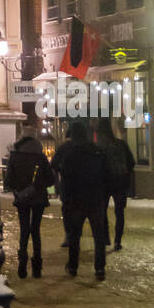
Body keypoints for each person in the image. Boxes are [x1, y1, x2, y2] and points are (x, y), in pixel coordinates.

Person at [59, 120, 109, 280]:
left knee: (75, 235)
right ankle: (100, 268)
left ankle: (73, 266)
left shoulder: (70, 152)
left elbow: (62, 172)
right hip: (95, 198)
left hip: (76, 199)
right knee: (98, 236)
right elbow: (106, 172)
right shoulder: (96, 150)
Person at [3, 120, 52, 279]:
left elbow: (9, 181)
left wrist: (19, 188)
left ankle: (22, 266)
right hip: (38, 198)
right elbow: (50, 179)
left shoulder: (15, 156)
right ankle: (37, 267)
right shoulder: (41, 156)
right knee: (36, 231)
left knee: (24, 230)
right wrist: (39, 186)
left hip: (22, 197)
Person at [95, 117, 135, 250]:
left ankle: (105, 238)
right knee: (119, 213)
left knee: (102, 211)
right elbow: (131, 162)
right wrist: (125, 174)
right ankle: (118, 241)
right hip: (120, 182)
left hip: (104, 183)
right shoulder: (121, 144)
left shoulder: (99, 147)